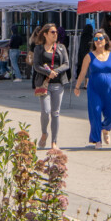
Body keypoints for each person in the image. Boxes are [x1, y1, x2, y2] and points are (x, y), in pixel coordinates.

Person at [73, 30, 111, 148]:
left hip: (108, 90)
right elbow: (82, 73)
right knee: (95, 113)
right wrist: (77, 86)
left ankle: (105, 129)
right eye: (95, 39)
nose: (98, 41)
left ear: (105, 41)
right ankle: (97, 140)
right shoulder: (89, 56)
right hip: (94, 89)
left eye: (100, 38)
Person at [31, 23, 70, 151]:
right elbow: (36, 65)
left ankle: (54, 141)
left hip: (58, 84)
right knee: (46, 111)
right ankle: (44, 133)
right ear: (45, 34)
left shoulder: (61, 48)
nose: (55, 34)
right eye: (52, 32)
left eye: (56, 32)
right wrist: (48, 72)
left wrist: (56, 71)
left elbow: (66, 64)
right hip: (44, 84)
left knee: (55, 113)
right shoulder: (39, 48)